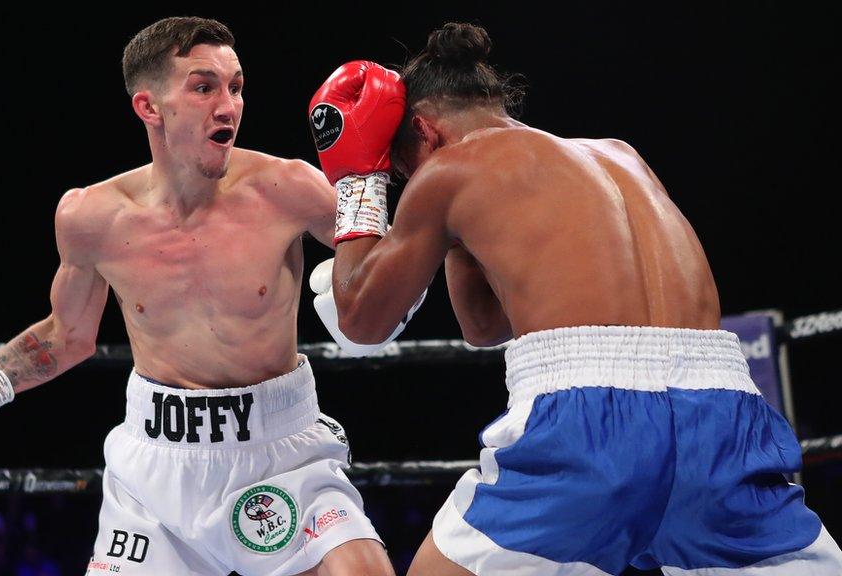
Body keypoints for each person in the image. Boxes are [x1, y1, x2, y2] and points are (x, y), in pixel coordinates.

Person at [0, 17, 397, 576]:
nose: (228, 104)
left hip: (283, 454)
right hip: (155, 470)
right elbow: (67, 336)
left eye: (236, 86)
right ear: (149, 107)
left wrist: (367, 182)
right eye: (204, 86)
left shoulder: (288, 188)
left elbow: (391, 270)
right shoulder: (92, 217)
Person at [307, 22, 842, 576]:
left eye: (403, 169)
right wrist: (454, 235)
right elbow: (484, 328)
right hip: (725, 411)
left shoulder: (446, 170)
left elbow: (362, 321)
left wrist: (358, 179)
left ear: (423, 129)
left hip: (591, 420)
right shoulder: (618, 154)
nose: (409, 183)